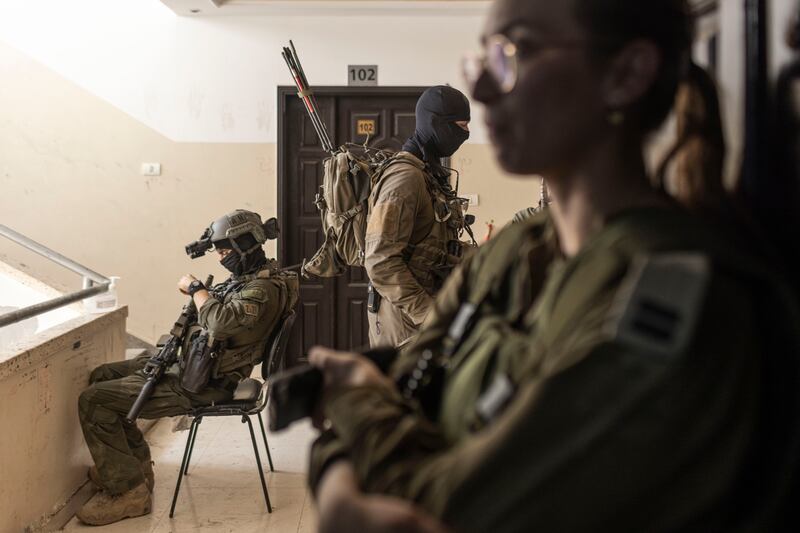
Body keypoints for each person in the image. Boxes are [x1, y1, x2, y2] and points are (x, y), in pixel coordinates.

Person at [304, 0, 800, 532]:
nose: (488, 90)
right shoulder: (515, 250)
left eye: (517, 53)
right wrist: (356, 429)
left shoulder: (677, 298)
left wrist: (341, 438)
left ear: (626, 74)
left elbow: (449, 506)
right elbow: (403, 396)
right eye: (485, 61)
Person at [75, 209, 298, 526]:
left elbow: (220, 322)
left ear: (246, 244)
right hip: (193, 363)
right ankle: (130, 470)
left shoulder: (262, 289)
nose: (221, 257)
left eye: (224, 250)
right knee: (103, 375)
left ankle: (128, 493)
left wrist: (197, 291)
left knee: (94, 400)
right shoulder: (251, 279)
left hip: (205, 382)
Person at [365, 85, 473, 348]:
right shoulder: (405, 178)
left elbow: (434, 244)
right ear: (437, 124)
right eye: (461, 124)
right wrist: (428, 314)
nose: (467, 133)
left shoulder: (427, 174)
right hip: (405, 323)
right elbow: (380, 261)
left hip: (421, 313)